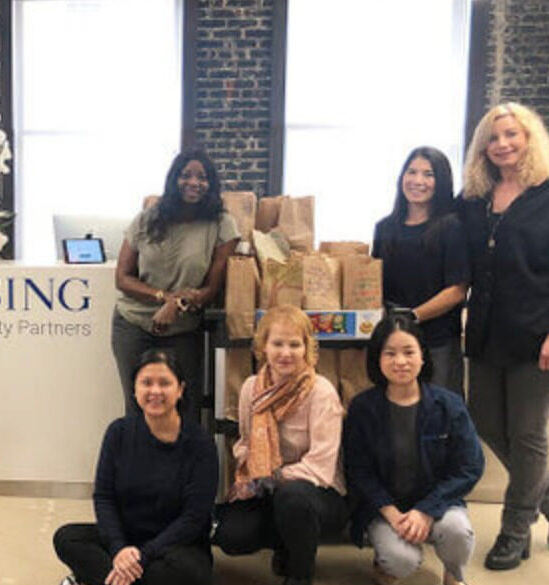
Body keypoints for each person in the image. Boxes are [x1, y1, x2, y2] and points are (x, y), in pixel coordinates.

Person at [458, 102, 549, 569]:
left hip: (537, 335)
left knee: (528, 433)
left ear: (529, 138)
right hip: (485, 332)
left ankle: (516, 529)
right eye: (493, 138)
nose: (502, 144)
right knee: (487, 424)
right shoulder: (475, 199)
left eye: (512, 135)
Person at [53, 349, 218, 585]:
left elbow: (194, 517)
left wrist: (142, 556)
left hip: (175, 546)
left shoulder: (200, 443)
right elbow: (104, 497)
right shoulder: (118, 432)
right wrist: (119, 548)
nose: (155, 391)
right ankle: (120, 578)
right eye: (146, 383)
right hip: (126, 537)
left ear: (180, 389)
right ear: (134, 389)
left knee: (188, 573)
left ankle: (99, 579)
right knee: (67, 538)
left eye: (165, 383)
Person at [212, 305, 348, 585]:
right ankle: (288, 544)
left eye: (294, 344)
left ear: (307, 348)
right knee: (231, 536)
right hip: (266, 485)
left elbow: (321, 465)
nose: (286, 353)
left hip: (317, 492)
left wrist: (273, 478)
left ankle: (301, 573)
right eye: (277, 343)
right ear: (263, 346)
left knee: (292, 499)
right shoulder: (252, 387)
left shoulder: (321, 392)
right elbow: (245, 442)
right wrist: (250, 476)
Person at [344, 314, 484, 585]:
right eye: (390, 353)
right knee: (401, 560)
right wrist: (390, 512)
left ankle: (453, 574)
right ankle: (386, 562)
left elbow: (470, 467)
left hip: (438, 504)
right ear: (377, 358)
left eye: (409, 352)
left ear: (423, 356)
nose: (400, 361)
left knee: (457, 532)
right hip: (386, 509)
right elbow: (358, 470)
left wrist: (426, 510)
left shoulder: (449, 406)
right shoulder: (363, 407)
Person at [112, 150, 239, 419]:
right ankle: (140, 462)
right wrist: (166, 298)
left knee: (185, 409)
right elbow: (122, 278)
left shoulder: (221, 223)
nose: (194, 182)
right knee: (139, 407)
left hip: (183, 328)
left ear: (211, 184)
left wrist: (176, 305)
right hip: (133, 324)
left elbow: (210, 290)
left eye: (202, 177)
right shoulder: (148, 218)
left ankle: (181, 463)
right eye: (186, 175)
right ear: (174, 180)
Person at [372, 146, 469, 394]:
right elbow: (375, 283)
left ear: (442, 181)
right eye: (411, 172)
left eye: (428, 174)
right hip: (393, 342)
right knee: (397, 417)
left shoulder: (452, 227)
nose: (418, 181)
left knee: (439, 417)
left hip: (437, 342)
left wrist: (413, 316)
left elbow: (457, 289)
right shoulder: (384, 228)